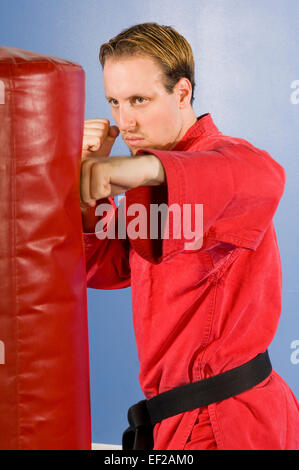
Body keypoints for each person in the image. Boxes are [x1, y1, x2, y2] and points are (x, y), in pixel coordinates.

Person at [80, 23, 299, 450]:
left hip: (226, 422)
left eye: (139, 100)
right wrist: (91, 183)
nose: (125, 121)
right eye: (115, 102)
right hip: (175, 420)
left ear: (182, 93)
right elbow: (108, 267)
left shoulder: (223, 158)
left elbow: (264, 177)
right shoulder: (150, 173)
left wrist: (142, 168)